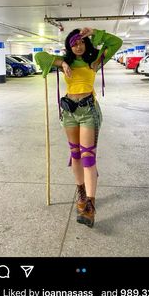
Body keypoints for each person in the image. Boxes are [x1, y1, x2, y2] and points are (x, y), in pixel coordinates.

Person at [35, 28, 122, 228]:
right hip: (69, 113)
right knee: (75, 155)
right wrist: (62, 63)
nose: (78, 46)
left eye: (81, 42)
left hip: (88, 111)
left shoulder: (95, 60)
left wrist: (94, 32)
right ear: (69, 46)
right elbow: (39, 56)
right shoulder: (67, 61)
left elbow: (116, 42)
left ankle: (90, 205)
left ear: (87, 42)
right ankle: (81, 193)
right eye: (74, 43)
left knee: (88, 156)